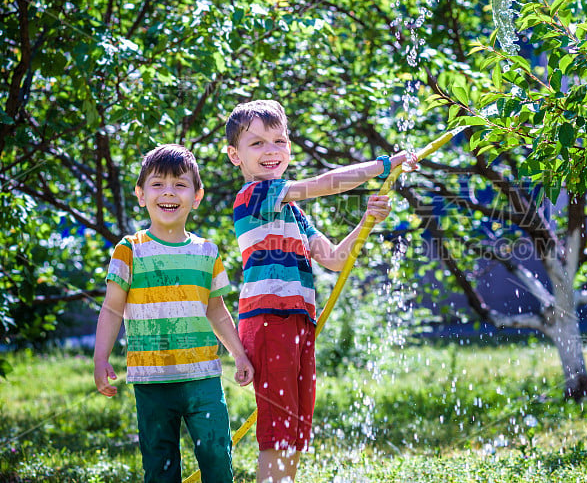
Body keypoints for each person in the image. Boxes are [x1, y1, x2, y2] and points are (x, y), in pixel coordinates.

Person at [225, 99, 416, 482]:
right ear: (235, 156)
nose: (271, 151)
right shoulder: (256, 197)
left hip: (298, 323)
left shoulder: (292, 212)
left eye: (279, 141)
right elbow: (325, 184)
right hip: (268, 322)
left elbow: (333, 258)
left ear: (290, 148)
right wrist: (383, 166)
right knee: (278, 429)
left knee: (295, 425)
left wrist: (367, 220)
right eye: (257, 143)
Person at [93, 144, 255, 483]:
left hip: (203, 377)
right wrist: (100, 358)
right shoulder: (129, 249)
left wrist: (238, 354)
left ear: (197, 196)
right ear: (140, 194)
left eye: (180, 184)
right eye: (157, 184)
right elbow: (111, 308)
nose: (169, 192)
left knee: (215, 451)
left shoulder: (207, 252)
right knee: (160, 461)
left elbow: (217, 310)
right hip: (151, 380)